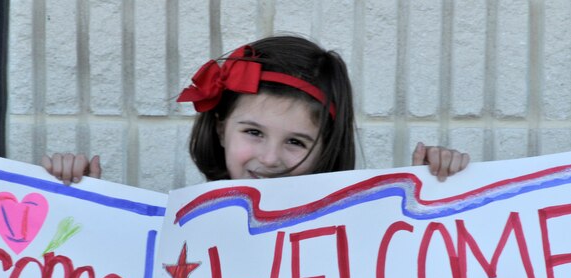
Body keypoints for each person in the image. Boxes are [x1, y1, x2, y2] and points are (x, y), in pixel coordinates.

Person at [42, 35, 469, 186]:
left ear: (326, 149)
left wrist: (435, 193)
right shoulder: (175, 234)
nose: (269, 159)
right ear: (221, 126)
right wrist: (78, 201)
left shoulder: (359, 239)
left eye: (297, 142)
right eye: (254, 132)